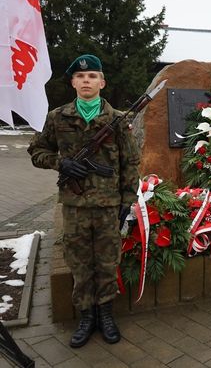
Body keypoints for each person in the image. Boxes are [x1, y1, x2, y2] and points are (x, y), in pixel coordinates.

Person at [28, 55, 140, 348]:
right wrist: (60, 163)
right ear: (73, 82)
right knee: (79, 263)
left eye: (92, 76)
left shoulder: (118, 120)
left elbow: (131, 163)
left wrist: (127, 200)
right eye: (81, 77)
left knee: (106, 262)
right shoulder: (57, 117)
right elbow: (37, 151)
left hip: (107, 206)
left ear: (102, 82)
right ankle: (86, 316)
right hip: (75, 206)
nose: (86, 80)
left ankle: (105, 315)